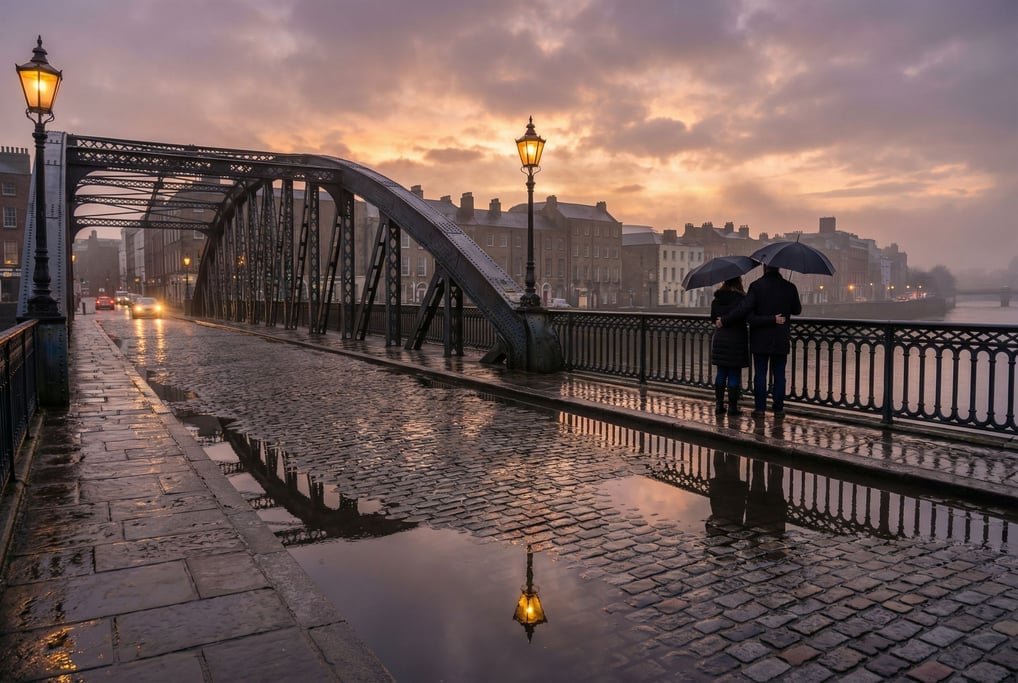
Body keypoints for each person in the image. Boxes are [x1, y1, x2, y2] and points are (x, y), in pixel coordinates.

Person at [718, 265, 802, 418]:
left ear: (765, 268)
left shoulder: (756, 286)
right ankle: (778, 409)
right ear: (779, 269)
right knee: (779, 375)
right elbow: (797, 310)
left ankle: (760, 409)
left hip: (760, 339)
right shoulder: (790, 287)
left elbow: (745, 312)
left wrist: (724, 320)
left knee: (760, 375)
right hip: (780, 339)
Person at [710, 277, 749, 415]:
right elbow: (745, 316)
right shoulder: (741, 299)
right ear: (738, 282)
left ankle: (719, 405)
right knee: (734, 373)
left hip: (720, 338)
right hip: (736, 339)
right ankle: (732, 407)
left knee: (721, 372)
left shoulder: (717, 299)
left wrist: (722, 320)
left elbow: (713, 317)